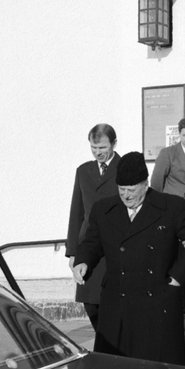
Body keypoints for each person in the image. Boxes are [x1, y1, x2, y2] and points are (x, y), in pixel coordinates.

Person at [72, 152, 185, 366]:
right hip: (117, 301)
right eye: (121, 189)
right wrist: (83, 261)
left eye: (131, 189)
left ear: (145, 184)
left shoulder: (171, 207)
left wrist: (177, 277)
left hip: (157, 301)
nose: (126, 195)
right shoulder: (104, 209)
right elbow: (92, 242)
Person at [150, 116, 185, 312]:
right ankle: (174, 300)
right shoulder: (168, 153)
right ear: (179, 134)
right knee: (174, 257)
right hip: (173, 213)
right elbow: (156, 183)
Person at [66, 123, 120, 329]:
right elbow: (76, 213)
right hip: (88, 245)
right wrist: (72, 252)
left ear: (114, 144)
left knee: (111, 303)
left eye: (103, 148)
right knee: (90, 303)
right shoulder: (83, 171)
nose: (98, 153)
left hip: (115, 244)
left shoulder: (124, 167)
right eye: (93, 148)